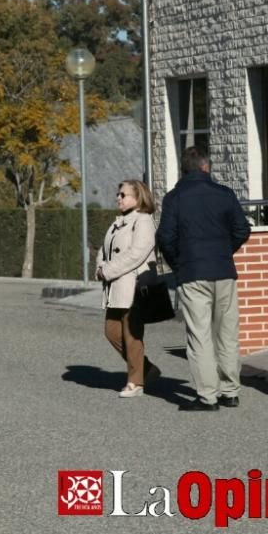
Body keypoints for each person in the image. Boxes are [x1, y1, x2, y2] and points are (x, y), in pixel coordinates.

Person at [157, 146, 251, 411]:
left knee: (200, 336)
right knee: (227, 334)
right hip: (223, 270)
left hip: (192, 272)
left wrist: (179, 263)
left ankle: (207, 396)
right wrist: (224, 251)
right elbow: (242, 229)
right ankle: (230, 391)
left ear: (184, 169)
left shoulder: (174, 198)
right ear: (205, 167)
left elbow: (165, 236)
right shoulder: (225, 194)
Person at [95, 180, 162, 398]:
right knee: (111, 331)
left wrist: (108, 270)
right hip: (116, 287)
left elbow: (137, 253)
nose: (119, 198)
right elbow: (104, 250)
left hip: (133, 286)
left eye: (123, 195)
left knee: (131, 334)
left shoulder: (143, 221)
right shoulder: (119, 222)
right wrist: (100, 267)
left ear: (138, 197)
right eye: (118, 194)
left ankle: (135, 382)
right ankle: (146, 369)